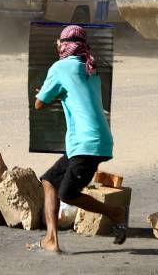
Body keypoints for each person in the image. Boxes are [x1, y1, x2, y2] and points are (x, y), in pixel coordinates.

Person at [27, 25, 126, 253]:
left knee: (68, 194)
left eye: (60, 42)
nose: (57, 45)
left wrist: (45, 93)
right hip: (91, 141)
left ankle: (115, 213)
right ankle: (51, 239)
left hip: (86, 144)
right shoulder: (90, 68)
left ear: (64, 45)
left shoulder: (61, 68)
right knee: (49, 181)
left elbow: (39, 103)